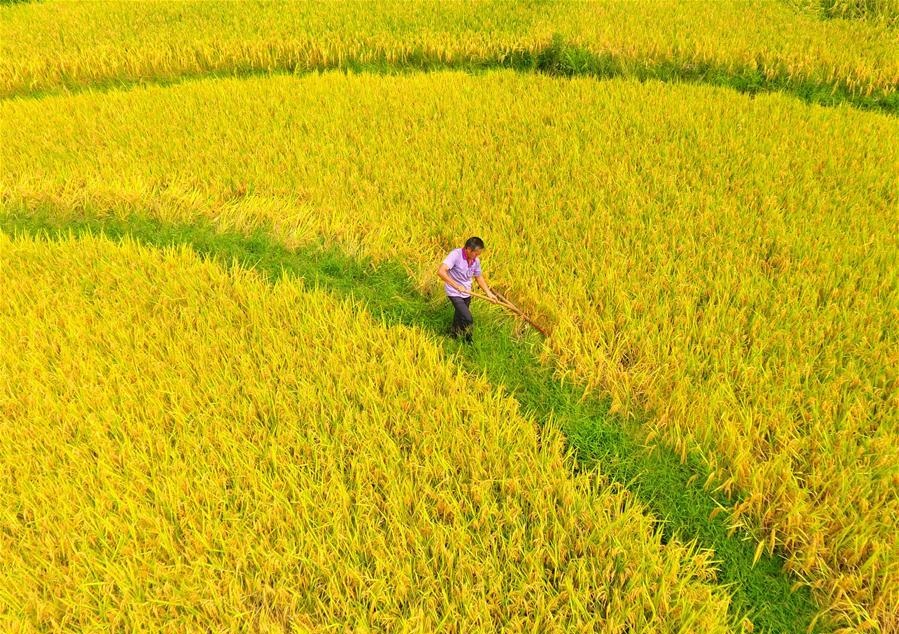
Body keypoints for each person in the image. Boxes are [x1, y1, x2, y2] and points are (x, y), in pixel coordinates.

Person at [437, 236, 497, 343]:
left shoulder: (475, 261)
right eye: (476, 253)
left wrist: (489, 293)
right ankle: (468, 340)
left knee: (459, 315)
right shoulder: (456, 255)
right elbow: (441, 271)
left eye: (479, 254)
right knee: (468, 318)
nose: (477, 256)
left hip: (466, 292)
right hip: (454, 291)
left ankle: (453, 336)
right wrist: (456, 285)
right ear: (468, 249)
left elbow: (478, 277)